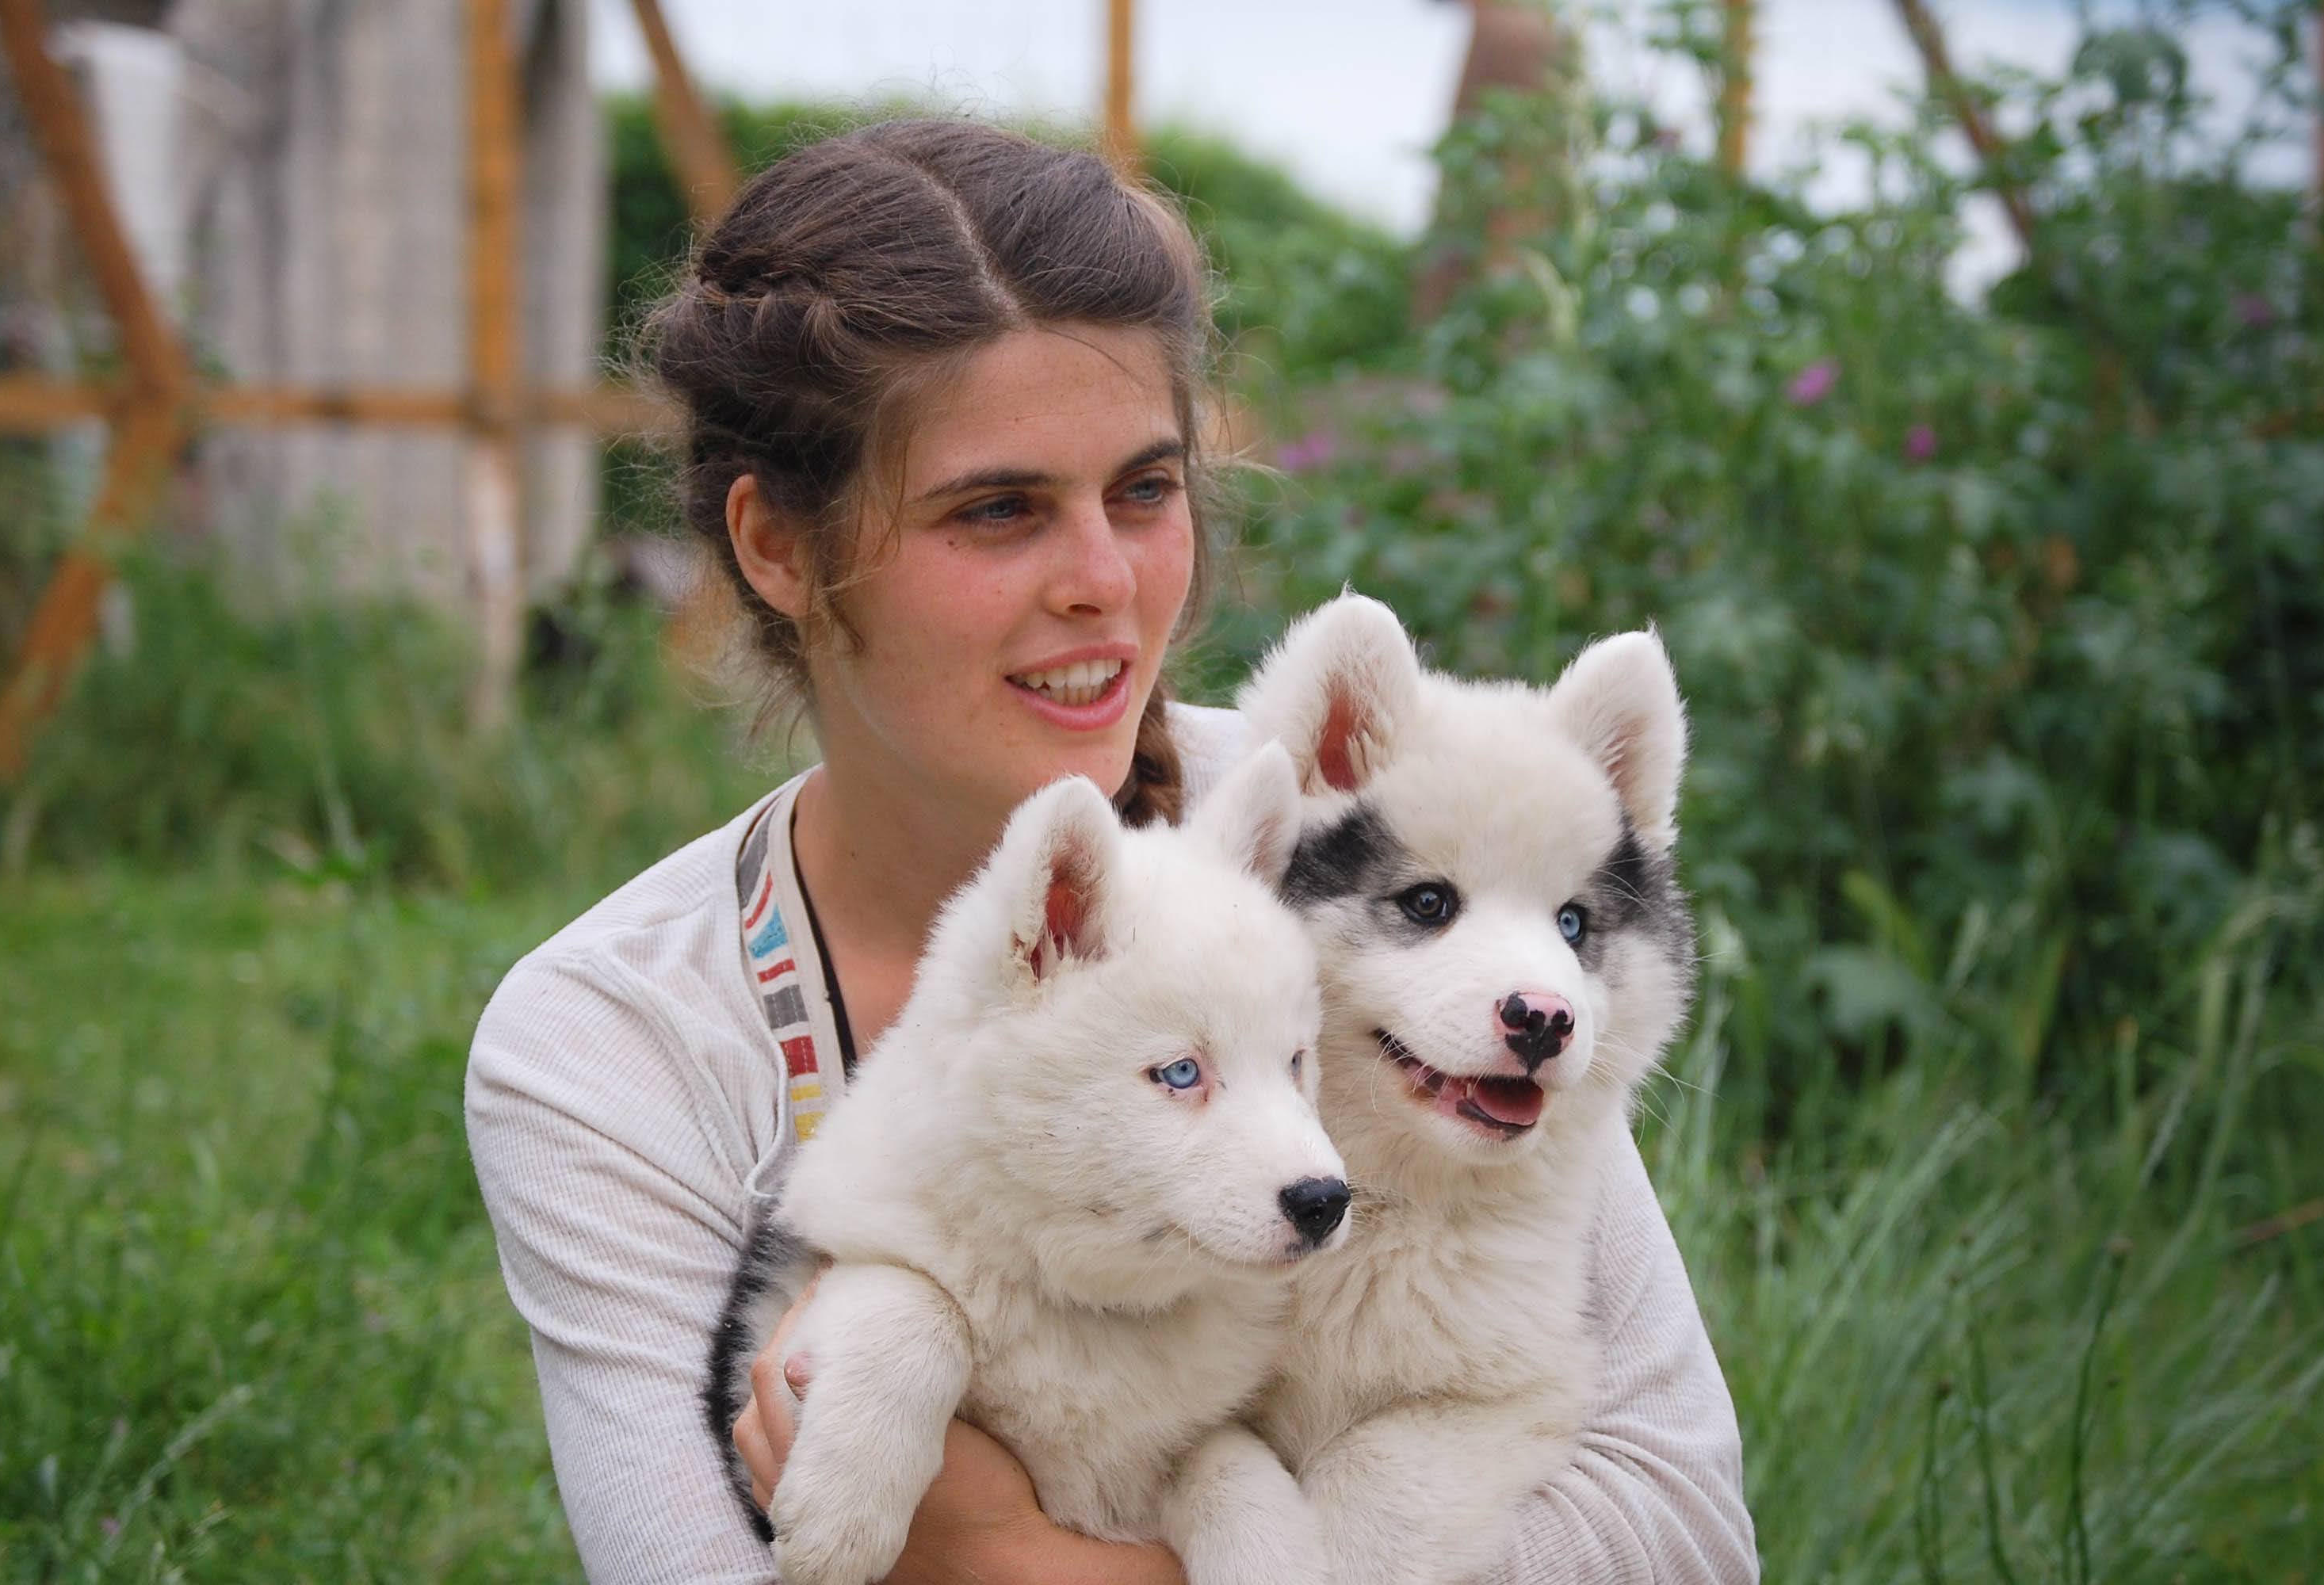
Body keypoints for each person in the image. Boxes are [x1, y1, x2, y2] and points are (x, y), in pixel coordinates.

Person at [465, 118, 1757, 1585]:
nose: (1105, 585)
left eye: (1143, 492)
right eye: (999, 509)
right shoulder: (614, 1050)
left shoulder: (1354, 864)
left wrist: (1024, 1562)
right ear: (777, 547)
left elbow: (1683, 1525)